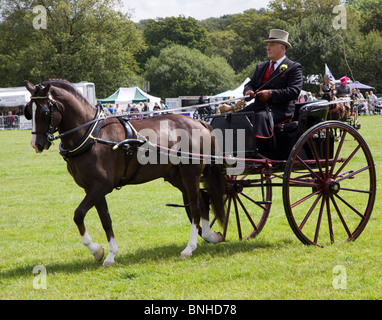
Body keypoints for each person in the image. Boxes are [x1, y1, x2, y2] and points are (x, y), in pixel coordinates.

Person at [242, 29, 303, 157]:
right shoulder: (261, 66)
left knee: (259, 118)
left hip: (280, 109)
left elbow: (294, 91)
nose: (268, 48)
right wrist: (248, 90)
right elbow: (251, 83)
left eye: (272, 45)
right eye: (267, 45)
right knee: (236, 117)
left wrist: (271, 93)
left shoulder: (294, 67)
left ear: (282, 48)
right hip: (258, 107)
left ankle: (262, 152)